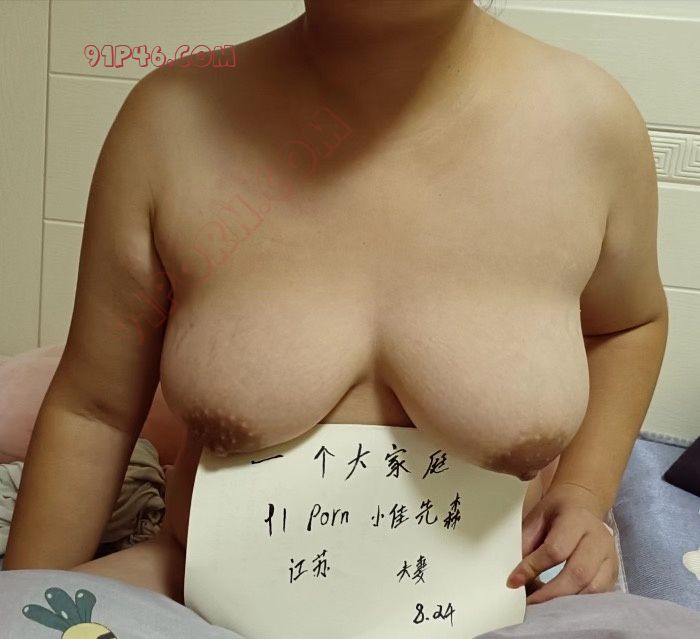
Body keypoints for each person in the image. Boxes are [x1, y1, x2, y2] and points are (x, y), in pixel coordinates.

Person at [3, 0, 677, 634]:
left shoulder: (590, 125)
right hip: (194, 592)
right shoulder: (168, 122)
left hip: (504, 602)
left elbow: (628, 323)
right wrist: (23, 591)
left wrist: (583, 492)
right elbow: (94, 409)